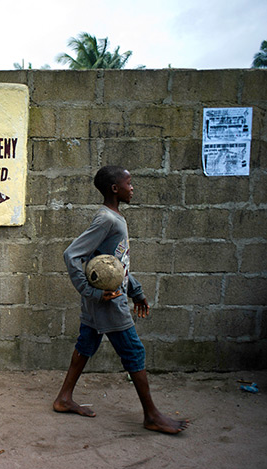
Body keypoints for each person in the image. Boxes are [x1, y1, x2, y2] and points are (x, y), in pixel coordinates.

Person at [53, 165, 188, 434]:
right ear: (115, 189)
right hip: (108, 304)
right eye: (129, 183)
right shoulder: (107, 220)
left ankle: (63, 398)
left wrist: (135, 291)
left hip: (102, 301)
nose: (132, 187)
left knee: (86, 343)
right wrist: (92, 292)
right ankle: (151, 415)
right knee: (134, 352)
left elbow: (116, 265)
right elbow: (72, 255)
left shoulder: (115, 218)